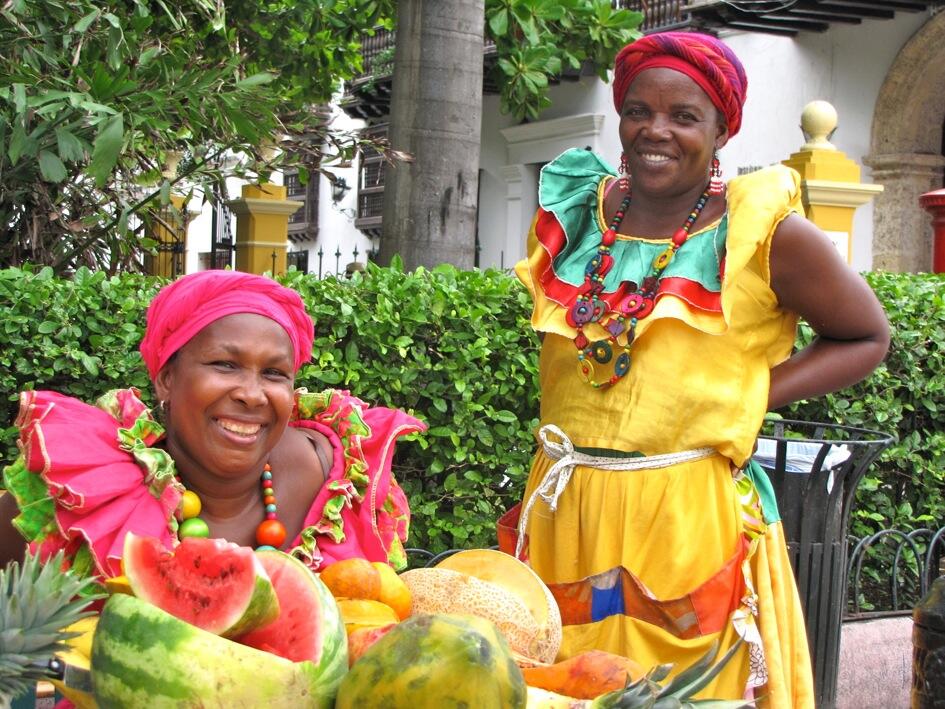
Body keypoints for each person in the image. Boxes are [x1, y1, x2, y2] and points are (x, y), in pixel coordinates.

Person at [498, 32, 889, 706]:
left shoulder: (759, 234)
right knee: (556, 685)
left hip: (682, 519)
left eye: (684, 117)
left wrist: (749, 393)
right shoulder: (576, 219)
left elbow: (865, 335)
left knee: (681, 693)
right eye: (638, 111)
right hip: (564, 508)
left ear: (719, 132)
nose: (656, 130)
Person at [0, 270, 425, 578]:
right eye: (225, 364)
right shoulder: (84, 496)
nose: (252, 393)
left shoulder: (340, 478)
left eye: (275, 373)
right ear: (166, 378)